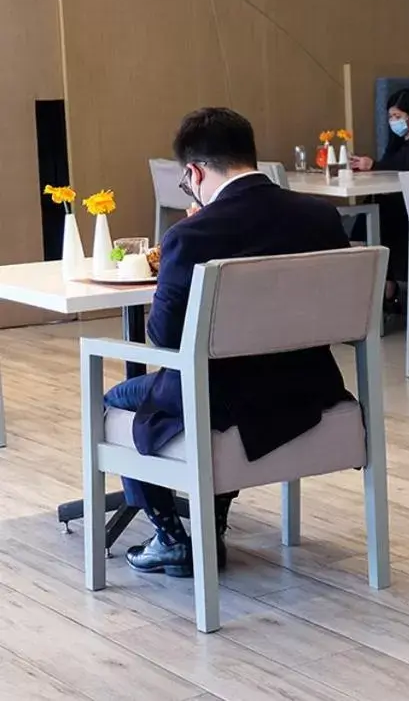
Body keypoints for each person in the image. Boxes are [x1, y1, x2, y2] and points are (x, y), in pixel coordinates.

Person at [106, 108, 354, 578]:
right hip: (309, 385)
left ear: (195, 172)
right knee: (192, 390)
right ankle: (213, 522)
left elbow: (163, 336)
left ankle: (171, 537)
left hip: (225, 397)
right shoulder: (320, 217)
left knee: (118, 400)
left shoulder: (191, 235)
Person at [350, 87, 409, 309]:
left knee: (382, 212)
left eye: (398, 116)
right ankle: (374, 278)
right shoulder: (396, 143)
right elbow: (389, 169)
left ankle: (386, 285)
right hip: (393, 201)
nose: (393, 121)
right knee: (374, 206)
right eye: (391, 117)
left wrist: (375, 165)